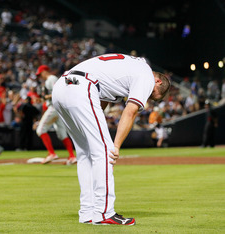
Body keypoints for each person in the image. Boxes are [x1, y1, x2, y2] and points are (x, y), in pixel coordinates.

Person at [52, 53, 170, 225]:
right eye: (152, 95)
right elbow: (130, 112)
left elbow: (101, 102)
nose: (148, 97)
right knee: (105, 152)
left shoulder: (129, 68)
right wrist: (115, 146)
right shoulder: (146, 75)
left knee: (85, 153)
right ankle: (104, 213)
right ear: (158, 82)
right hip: (83, 87)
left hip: (62, 88)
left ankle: (87, 212)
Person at [35, 65, 77, 165]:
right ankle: (72, 156)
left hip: (54, 107)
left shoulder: (51, 78)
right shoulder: (49, 80)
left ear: (44, 71)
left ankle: (51, 153)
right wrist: (44, 98)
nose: (40, 77)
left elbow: (58, 92)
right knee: (62, 134)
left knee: (40, 130)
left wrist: (46, 96)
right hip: (58, 109)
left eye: (40, 74)